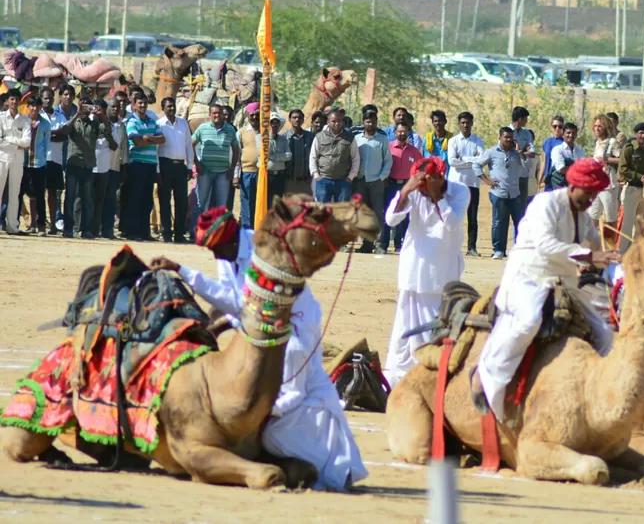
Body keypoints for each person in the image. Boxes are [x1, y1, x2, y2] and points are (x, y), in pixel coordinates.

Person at [150, 207, 368, 491]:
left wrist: (185, 273)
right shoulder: (227, 256)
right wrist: (214, 314)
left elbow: (244, 304)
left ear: (232, 240)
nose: (217, 256)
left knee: (293, 405)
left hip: (295, 330)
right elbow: (233, 299)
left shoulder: (265, 253)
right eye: (212, 251)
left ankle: (332, 471)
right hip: (263, 326)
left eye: (219, 249)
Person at [470, 158, 618, 419]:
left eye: (596, 194)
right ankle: (484, 373)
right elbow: (545, 244)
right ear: (574, 186)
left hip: (563, 281)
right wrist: (589, 255)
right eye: (589, 192)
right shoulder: (545, 203)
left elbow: (596, 245)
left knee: (605, 333)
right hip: (529, 276)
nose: (592, 199)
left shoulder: (583, 217)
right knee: (528, 321)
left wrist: (611, 254)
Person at [383, 157, 470, 387]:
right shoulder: (415, 190)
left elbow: (451, 223)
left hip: (442, 272)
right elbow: (391, 219)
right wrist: (405, 190)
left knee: (435, 324)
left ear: (441, 178)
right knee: (405, 326)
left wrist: (436, 195)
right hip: (413, 268)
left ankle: (429, 375)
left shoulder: (460, 192)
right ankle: (397, 378)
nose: (421, 190)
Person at [473, 127, 525, 260]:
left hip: (514, 192)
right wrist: (486, 180)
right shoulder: (491, 152)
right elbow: (476, 165)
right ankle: (498, 250)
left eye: (510, 137)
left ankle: (519, 250)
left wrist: (520, 152)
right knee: (499, 222)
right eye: (506, 137)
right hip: (498, 192)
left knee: (519, 222)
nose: (508, 140)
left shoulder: (515, 154)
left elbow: (526, 167)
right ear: (500, 137)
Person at [63, 97, 104, 239]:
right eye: (84, 106)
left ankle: (86, 230)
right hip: (74, 163)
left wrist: (101, 116)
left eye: (88, 106)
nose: (86, 109)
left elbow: (107, 131)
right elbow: (65, 130)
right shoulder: (74, 120)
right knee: (70, 197)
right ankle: (68, 229)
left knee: (87, 199)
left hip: (88, 164)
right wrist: (77, 113)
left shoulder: (94, 123)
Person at [125, 93, 165, 241]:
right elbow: (137, 142)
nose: (143, 106)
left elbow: (162, 139)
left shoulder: (152, 121)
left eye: (145, 103)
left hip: (150, 165)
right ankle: (133, 232)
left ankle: (144, 233)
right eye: (140, 103)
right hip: (136, 164)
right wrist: (151, 140)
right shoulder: (131, 122)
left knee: (147, 200)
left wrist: (147, 138)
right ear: (134, 105)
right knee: (135, 199)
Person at [380, 121, 423, 254]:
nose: (402, 133)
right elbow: (382, 163)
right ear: (395, 133)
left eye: (405, 131)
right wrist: (384, 178)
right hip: (390, 185)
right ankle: (383, 245)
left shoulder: (414, 151)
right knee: (388, 213)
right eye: (399, 131)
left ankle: (403, 245)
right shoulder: (388, 147)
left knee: (406, 215)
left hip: (406, 186)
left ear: (409, 133)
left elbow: (421, 168)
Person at [353, 110, 392, 254]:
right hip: (360, 181)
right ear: (363, 122)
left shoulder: (382, 139)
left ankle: (380, 244)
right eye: (368, 121)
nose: (370, 124)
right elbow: (353, 158)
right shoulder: (357, 139)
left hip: (376, 181)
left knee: (378, 212)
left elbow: (388, 160)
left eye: (373, 121)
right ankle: (367, 244)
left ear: (376, 122)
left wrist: (382, 177)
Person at [448, 111, 485, 257]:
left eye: (467, 122)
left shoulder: (478, 141)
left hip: (472, 183)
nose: (465, 125)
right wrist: (471, 160)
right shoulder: (453, 141)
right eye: (462, 123)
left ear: (472, 124)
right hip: (456, 184)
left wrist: (462, 159)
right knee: (454, 217)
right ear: (459, 124)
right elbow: (452, 161)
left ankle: (472, 247)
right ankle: (452, 246)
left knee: (472, 218)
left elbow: (481, 159)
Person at [192, 104, 240, 219]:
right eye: (214, 113)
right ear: (210, 115)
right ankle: (196, 228)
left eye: (219, 113)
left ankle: (218, 229)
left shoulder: (230, 130)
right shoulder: (202, 128)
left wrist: (232, 169)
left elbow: (236, 149)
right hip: (205, 171)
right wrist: (197, 164)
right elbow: (190, 145)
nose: (217, 115)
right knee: (200, 204)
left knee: (221, 206)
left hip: (223, 172)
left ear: (223, 115)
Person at [156, 97, 193, 243]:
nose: (172, 108)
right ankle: (166, 232)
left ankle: (179, 234)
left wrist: (189, 166)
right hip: (165, 165)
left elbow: (188, 145)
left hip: (180, 167)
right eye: (168, 106)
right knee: (165, 200)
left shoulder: (183, 123)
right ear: (163, 108)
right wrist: (157, 170)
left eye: (173, 106)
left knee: (181, 201)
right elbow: (156, 150)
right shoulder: (159, 124)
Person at [617, 122, 644, 254]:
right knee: (627, 224)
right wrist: (640, 177)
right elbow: (623, 170)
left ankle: (637, 252)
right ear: (636, 134)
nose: (643, 136)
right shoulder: (629, 149)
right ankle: (622, 253)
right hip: (631, 190)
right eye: (641, 133)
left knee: (641, 224)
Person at [309, 109, 359, 204]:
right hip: (323, 180)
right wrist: (316, 175)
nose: (337, 123)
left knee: (342, 210)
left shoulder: (350, 138)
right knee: (322, 210)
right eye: (334, 121)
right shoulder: (319, 137)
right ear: (328, 122)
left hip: (343, 181)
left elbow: (355, 158)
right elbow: (313, 157)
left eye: (339, 121)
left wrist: (351, 177)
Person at [94, 98, 126, 239]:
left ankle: (108, 229)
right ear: (107, 108)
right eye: (112, 106)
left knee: (110, 200)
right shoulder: (100, 124)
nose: (115, 109)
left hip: (114, 167)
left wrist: (124, 165)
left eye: (117, 107)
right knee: (97, 199)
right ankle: (94, 228)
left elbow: (123, 147)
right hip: (100, 167)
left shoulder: (122, 125)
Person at [0, 90, 31, 235]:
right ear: (7, 101)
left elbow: (27, 142)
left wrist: (8, 139)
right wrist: (17, 143)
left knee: (14, 194)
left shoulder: (25, 120)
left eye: (16, 99)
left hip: (17, 160)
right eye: (11, 99)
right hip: (2, 158)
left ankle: (12, 226)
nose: (14, 102)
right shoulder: (1, 117)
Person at [40, 87, 70, 236]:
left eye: (50, 98)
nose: (48, 100)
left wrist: (48, 134)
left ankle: (52, 224)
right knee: (37, 194)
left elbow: (64, 135)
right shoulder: (37, 115)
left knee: (53, 194)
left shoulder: (60, 116)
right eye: (45, 98)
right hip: (40, 159)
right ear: (41, 99)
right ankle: (37, 224)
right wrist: (54, 134)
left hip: (56, 160)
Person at [589, 114, 622, 248]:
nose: (597, 129)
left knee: (610, 218)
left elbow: (622, 159)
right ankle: (592, 246)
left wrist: (607, 160)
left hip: (608, 185)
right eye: (595, 126)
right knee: (593, 215)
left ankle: (610, 248)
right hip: (596, 184)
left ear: (605, 127)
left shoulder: (612, 142)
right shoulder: (597, 143)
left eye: (600, 126)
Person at [22, 95, 53, 235]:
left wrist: (43, 160)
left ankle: (41, 226)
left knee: (40, 196)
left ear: (40, 107)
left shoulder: (45, 124)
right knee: (20, 193)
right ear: (28, 107)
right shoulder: (23, 121)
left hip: (39, 163)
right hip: (23, 162)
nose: (34, 108)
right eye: (32, 105)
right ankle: (16, 223)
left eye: (37, 105)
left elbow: (46, 144)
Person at [89, 100, 119, 239]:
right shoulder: (89, 123)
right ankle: (83, 228)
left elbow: (114, 145)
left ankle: (95, 230)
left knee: (100, 201)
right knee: (86, 199)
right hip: (89, 167)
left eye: (101, 109)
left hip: (103, 168)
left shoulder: (110, 126)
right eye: (96, 108)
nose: (98, 111)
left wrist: (105, 124)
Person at [283, 108, 314, 196]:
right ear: (289, 119)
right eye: (294, 117)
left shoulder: (310, 137)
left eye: (300, 118)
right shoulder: (284, 137)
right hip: (289, 182)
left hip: (306, 182)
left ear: (303, 120)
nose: (297, 119)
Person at [511, 106, 537, 207]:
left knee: (522, 207)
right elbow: (505, 153)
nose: (527, 121)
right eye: (526, 118)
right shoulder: (506, 132)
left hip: (523, 175)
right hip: (510, 176)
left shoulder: (526, 133)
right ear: (520, 119)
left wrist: (518, 152)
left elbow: (533, 152)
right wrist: (524, 152)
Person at [549, 122, 585, 191]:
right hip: (560, 188)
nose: (571, 135)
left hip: (576, 188)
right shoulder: (557, 149)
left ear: (576, 135)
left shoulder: (580, 151)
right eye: (568, 133)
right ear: (563, 134)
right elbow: (561, 169)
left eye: (573, 133)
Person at [266, 113, 292, 205]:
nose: (274, 125)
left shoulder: (283, 139)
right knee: (266, 201)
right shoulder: (263, 139)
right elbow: (266, 154)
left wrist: (274, 156)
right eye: (272, 122)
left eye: (276, 122)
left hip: (280, 176)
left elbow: (289, 155)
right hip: (267, 175)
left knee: (277, 203)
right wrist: (270, 137)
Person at [423, 109, 453, 174]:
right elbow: (425, 158)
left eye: (440, 121)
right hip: (431, 175)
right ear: (432, 123)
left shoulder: (452, 140)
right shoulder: (427, 139)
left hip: (447, 176)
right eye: (435, 121)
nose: (437, 123)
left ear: (445, 121)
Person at [540, 115, 565, 191]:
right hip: (548, 181)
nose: (557, 128)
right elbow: (544, 162)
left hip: (559, 182)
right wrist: (539, 180)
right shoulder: (547, 142)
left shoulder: (565, 144)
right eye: (555, 126)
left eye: (560, 126)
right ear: (551, 127)